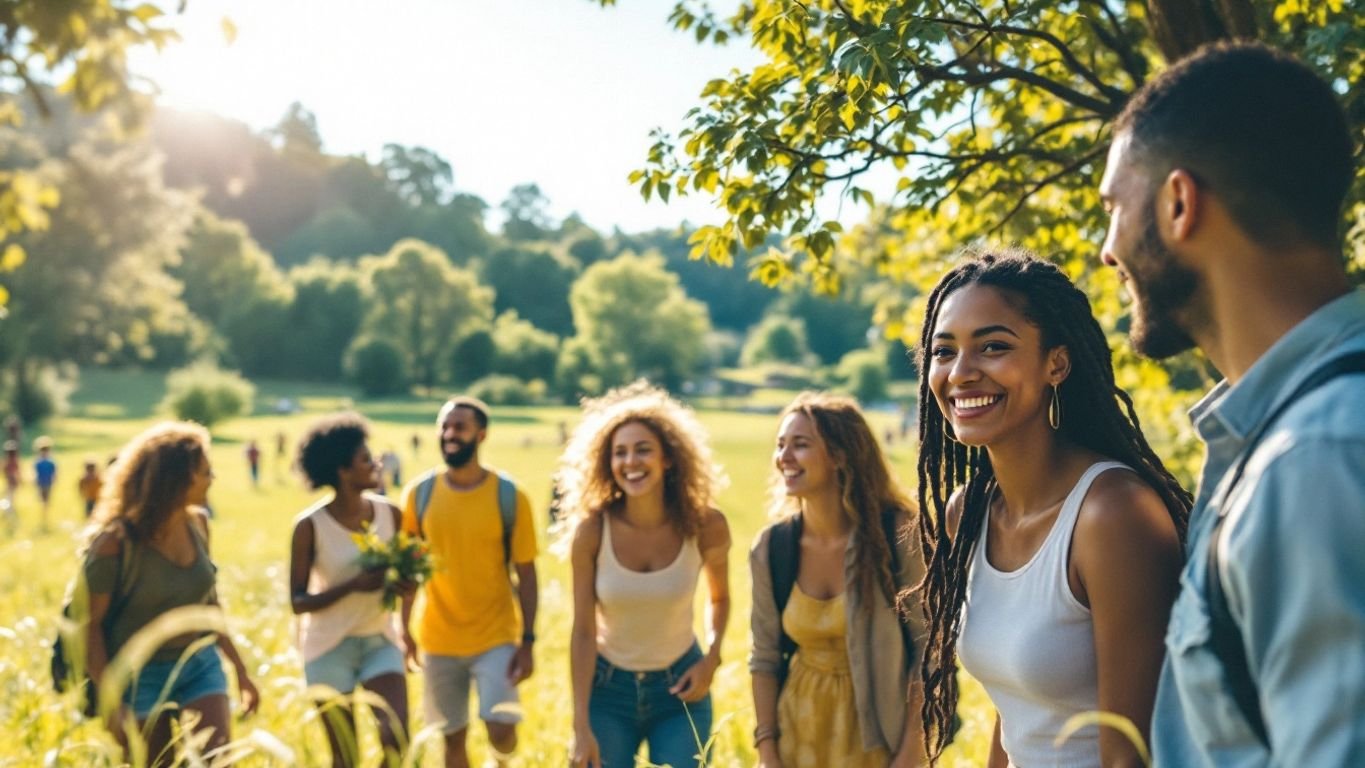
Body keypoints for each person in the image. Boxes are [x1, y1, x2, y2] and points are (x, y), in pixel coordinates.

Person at [1097, 41, 1365, 765]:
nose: (1105, 248)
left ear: (1179, 203)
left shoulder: (1315, 459)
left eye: (1112, 208)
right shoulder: (1271, 443)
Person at [911, 250, 1192, 766]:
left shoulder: (1111, 514)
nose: (961, 373)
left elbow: (1132, 752)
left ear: (1056, 363)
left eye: (993, 346)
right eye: (944, 351)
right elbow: (1017, 713)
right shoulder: (966, 515)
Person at [750, 392, 926, 768]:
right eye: (781, 446)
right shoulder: (773, 548)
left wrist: (912, 752)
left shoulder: (897, 536)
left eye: (800, 445)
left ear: (841, 455)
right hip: (797, 735)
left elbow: (930, 653)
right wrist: (767, 751)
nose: (784, 458)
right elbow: (764, 658)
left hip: (883, 741)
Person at [560, 382, 731, 768]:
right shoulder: (591, 531)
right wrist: (580, 725)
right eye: (619, 453)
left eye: (642, 450)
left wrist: (711, 660)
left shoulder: (706, 525)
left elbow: (719, 598)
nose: (630, 462)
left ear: (668, 458)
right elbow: (584, 631)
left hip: (680, 686)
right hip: (607, 692)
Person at [82, 421, 259, 766]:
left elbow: (208, 603)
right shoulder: (114, 544)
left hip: (199, 662)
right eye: (206, 471)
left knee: (218, 760)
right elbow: (91, 628)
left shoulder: (199, 524)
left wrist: (240, 669)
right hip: (139, 676)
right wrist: (111, 701)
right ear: (177, 478)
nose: (213, 478)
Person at [399, 396, 538, 768]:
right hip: (438, 640)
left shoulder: (510, 496)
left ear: (481, 434)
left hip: (496, 638)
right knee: (452, 739)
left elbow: (526, 574)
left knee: (502, 729)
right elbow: (408, 570)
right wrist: (404, 629)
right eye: (444, 426)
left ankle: (501, 762)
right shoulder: (419, 494)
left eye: (459, 426)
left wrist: (527, 641)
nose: (449, 434)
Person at [290, 413, 410, 766]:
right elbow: (298, 602)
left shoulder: (392, 515)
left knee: (397, 737)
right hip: (328, 647)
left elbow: (404, 572)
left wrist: (404, 584)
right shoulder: (309, 527)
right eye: (364, 459)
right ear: (343, 471)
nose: (375, 463)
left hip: (380, 640)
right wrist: (354, 586)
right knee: (346, 755)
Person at [34, 436, 56, 531]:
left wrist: (54, 479)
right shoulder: (38, 462)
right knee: (42, 499)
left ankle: (45, 513)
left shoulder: (50, 462)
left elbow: (54, 472)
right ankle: (43, 512)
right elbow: (35, 472)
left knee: (46, 499)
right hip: (41, 483)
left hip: (48, 483)